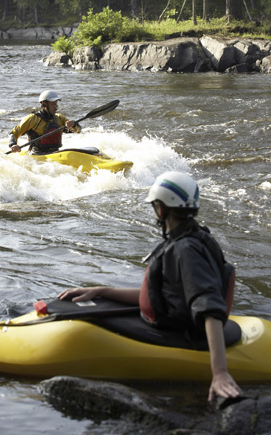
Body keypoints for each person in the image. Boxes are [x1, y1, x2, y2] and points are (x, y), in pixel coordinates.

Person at [59, 171, 243, 402]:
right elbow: (164, 296)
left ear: (162, 208)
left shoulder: (186, 250)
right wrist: (102, 291)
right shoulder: (193, 237)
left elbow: (208, 305)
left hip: (181, 332)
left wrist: (220, 373)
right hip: (176, 318)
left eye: (155, 205)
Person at [9, 90, 81, 155]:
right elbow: (14, 133)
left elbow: (78, 131)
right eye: (53, 104)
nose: (56, 107)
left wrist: (74, 124)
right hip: (36, 154)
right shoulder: (32, 119)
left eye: (56, 104)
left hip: (56, 152)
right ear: (44, 104)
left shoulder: (59, 117)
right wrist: (13, 145)